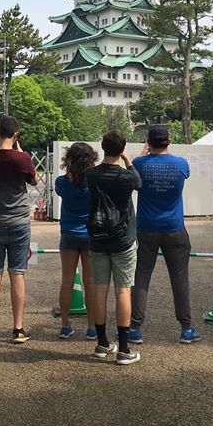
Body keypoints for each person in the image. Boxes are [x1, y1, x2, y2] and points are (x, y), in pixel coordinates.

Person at [130, 125, 200, 345]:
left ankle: (135, 328)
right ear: (169, 141)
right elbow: (185, 175)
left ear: (148, 143)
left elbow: (132, 169)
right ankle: (186, 328)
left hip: (146, 228)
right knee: (179, 278)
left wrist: (144, 153)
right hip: (175, 228)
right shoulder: (181, 164)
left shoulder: (139, 164)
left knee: (141, 276)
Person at [0, 115, 37, 345]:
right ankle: (18, 328)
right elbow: (34, 180)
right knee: (17, 273)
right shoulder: (23, 158)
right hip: (19, 222)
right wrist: (21, 153)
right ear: (16, 135)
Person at [86, 130, 142, 365]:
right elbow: (138, 183)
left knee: (100, 289)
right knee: (123, 291)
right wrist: (129, 161)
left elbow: (93, 170)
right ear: (122, 149)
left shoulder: (92, 174)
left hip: (98, 238)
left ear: (102, 147)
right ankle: (125, 349)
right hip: (123, 239)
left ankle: (102, 343)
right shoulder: (126, 177)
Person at [53, 142, 98, 340]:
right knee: (90, 282)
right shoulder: (95, 183)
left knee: (67, 280)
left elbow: (62, 188)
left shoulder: (62, 183)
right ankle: (91, 327)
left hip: (69, 234)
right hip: (90, 234)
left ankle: (65, 325)